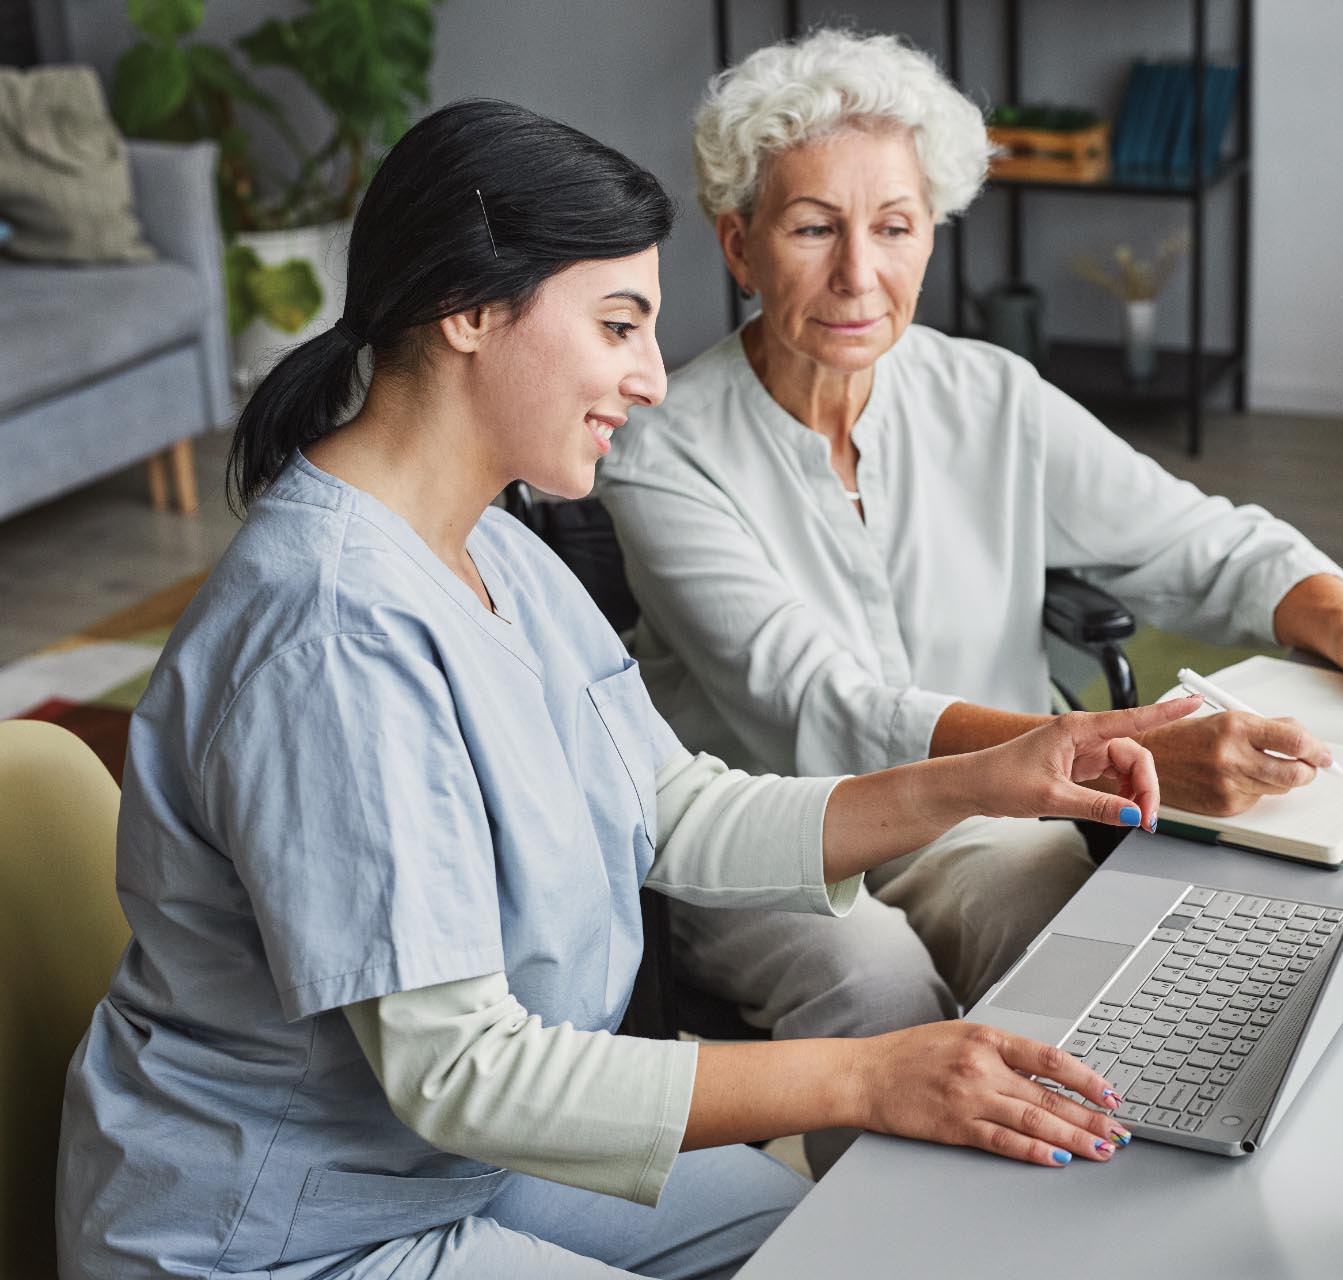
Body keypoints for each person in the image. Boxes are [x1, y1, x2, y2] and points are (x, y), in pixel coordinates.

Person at [55, 100, 1199, 1280]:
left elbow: (673, 807)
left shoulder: (495, 546)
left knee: (853, 1247)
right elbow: (464, 1072)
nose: (652, 378)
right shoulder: (331, 631)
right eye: (618, 326)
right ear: (470, 309)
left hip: (454, 1157)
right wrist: (871, 1070)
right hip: (285, 1230)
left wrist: (975, 782)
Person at [598, 29, 1343, 1172]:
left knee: (1119, 985)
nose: (858, 275)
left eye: (893, 227)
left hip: (987, 825)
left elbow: (1203, 540)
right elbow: (822, 703)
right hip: (773, 842)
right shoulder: (662, 451)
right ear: (740, 245)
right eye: (811, 228)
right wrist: (1090, 753)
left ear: (930, 236)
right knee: (876, 987)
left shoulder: (989, 394)